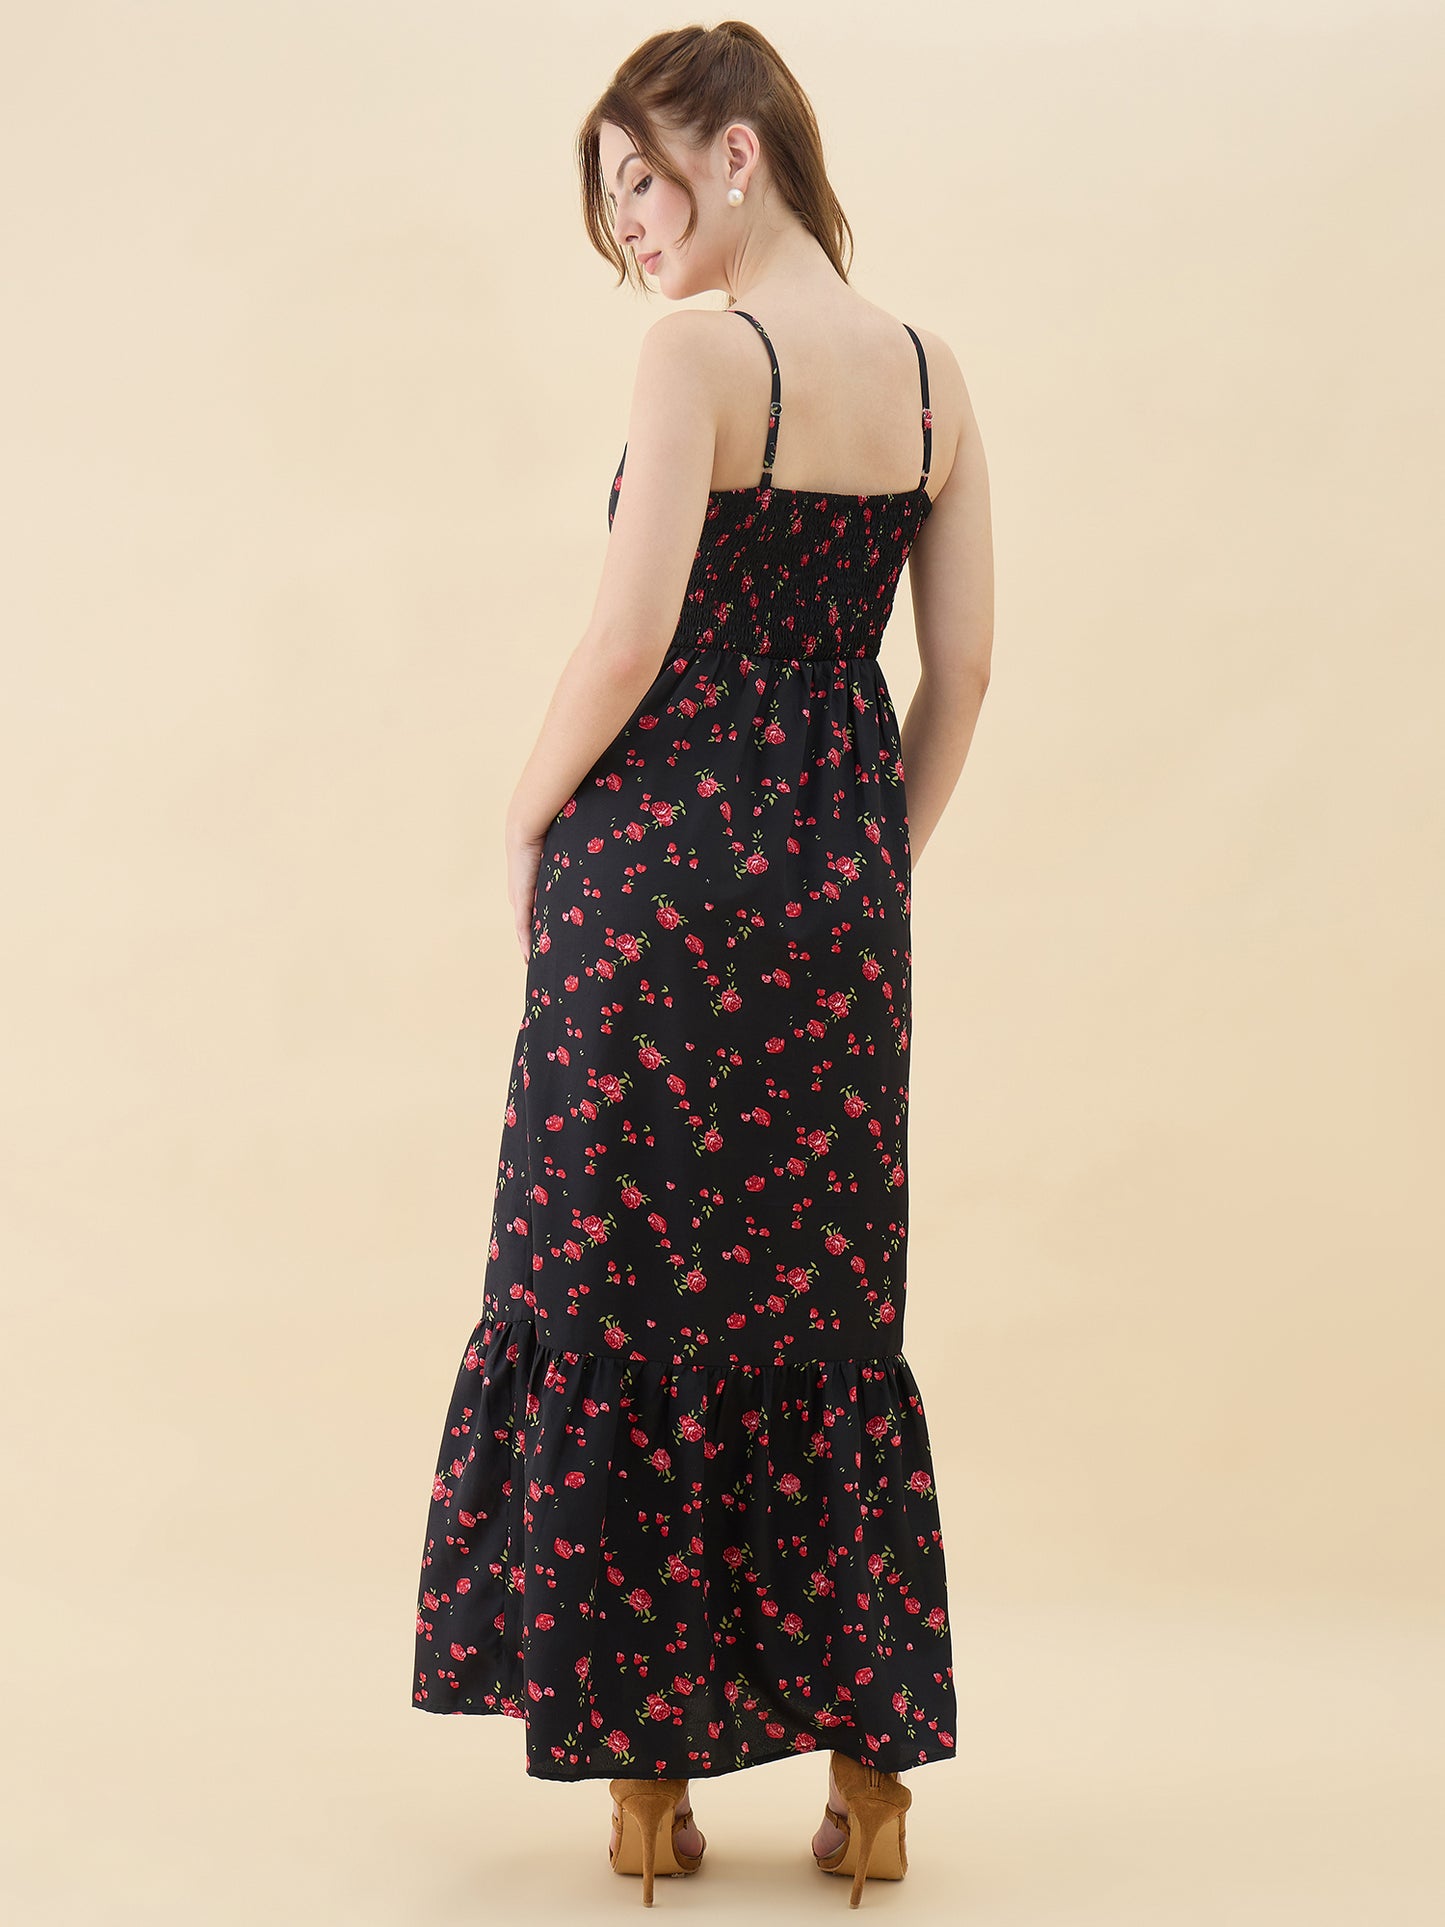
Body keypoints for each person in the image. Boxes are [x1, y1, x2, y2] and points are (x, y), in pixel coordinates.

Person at [412, 20, 993, 1907]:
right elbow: (963, 672)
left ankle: (649, 1789)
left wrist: (520, 817)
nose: (632, 236)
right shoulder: (929, 382)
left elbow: (623, 639)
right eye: (611, 206)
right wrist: (861, 866)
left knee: (621, 1292)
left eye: (643, 184)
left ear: (738, 153)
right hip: (834, 906)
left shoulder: (696, 358)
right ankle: (869, 1784)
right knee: (817, 1318)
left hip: (647, 898)